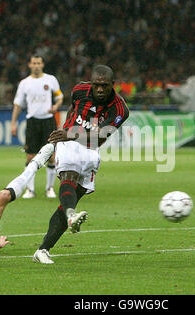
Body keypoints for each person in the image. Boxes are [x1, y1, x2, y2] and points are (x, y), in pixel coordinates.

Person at [32, 64, 129, 264]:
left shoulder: (120, 109)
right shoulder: (79, 90)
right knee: (68, 177)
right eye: (96, 85)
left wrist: (69, 133)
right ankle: (70, 216)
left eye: (104, 86)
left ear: (113, 85)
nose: (100, 89)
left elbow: (99, 138)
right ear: (91, 83)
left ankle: (43, 249)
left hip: (90, 147)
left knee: (71, 199)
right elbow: (72, 108)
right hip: (68, 143)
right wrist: (65, 132)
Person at [11, 55, 64, 199]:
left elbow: (59, 96)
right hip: (32, 122)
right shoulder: (24, 83)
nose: (36, 65)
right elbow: (18, 104)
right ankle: (30, 189)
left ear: (43, 64)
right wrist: (13, 123)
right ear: (29, 65)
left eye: (38, 63)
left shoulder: (50, 80)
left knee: (52, 156)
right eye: (34, 63)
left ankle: (50, 188)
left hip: (48, 121)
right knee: (30, 156)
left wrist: (56, 106)